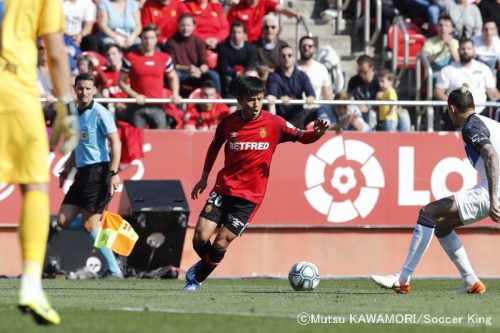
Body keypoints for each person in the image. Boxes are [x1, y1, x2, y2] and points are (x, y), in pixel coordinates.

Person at [183, 77, 329, 291]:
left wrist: (316, 134)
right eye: (251, 100)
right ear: (240, 100)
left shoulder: (274, 123)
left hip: (249, 197)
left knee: (221, 242)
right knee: (199, 238)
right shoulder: (228, 123)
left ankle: (196, 279)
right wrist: (204, 177)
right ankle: (206, 265)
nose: (256, 105)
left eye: (260, 99)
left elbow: (302, 136)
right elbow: (214, 147)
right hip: (224, 188)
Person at [371, 83, 498, 294]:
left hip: (494, 190)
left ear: (452, 109)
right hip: (492, 187)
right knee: (442, 225)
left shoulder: (471, 127)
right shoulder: (486, 122)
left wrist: (494, 198)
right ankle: (471, 282)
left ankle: (402, 279)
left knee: (428, 213)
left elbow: (491, 155)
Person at [0, 0, 79, 325]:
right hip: (13, 91)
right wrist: (66, 109)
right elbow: (57, 53)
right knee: (34, 186)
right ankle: (31, 285)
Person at [56, 73, 123, 279]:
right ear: (75, 90)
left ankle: (115, 270)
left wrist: (113, 172)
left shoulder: (100, 113)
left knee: (88, 225)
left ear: (94, 90)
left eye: (88, 88)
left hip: (99, 173)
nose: (84, 92)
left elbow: (116, 142)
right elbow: (77, 147)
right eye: (80, 88)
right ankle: (97, 226)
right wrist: (67, 169)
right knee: (62, 220)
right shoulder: (73, 114)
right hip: (81, 174)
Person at [119, 24, 181, 129]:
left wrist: (175, 94)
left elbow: (173, 77)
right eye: (145, 38)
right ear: (141, 39)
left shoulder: (164, 58)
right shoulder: (130, 57)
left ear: (156, 39)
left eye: (151, 38)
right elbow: (121, 81)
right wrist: (134, 95)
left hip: (158, 106)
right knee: (138, 139)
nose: (148, 41)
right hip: (136, 106)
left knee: (160, 138)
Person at [435, 38, 499, 115]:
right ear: (458, 50)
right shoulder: (447, 70)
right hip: (456, 114)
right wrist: (455, 105)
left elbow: (492, 91)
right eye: (463, 49)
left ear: (474, 50)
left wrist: (498, 99)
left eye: (469, 48)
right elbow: (438, 92)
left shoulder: (484, 68)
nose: (466, 51)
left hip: (481, 112)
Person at [164, 13, 221, 95]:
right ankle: (175, 101)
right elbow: (172, 65)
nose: (185, 28)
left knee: (213, 75)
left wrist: (200, 70)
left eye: (188, 25)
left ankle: (218, 102)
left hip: (198, 72)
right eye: (183, 25)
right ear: (178, 25)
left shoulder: (199, 41)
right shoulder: (171, 42)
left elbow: (204, 63)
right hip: (181, 73)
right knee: (175, 75)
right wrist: (188, 68)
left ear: (194, 26)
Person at [266, 45, 316, 129]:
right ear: (279, 58)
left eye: (289, 55)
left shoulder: (302, 75)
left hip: (298, 117)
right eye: (283, 56)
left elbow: (310, 93)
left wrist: (311, 97)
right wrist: (280, 98)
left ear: (294, 58)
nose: (286, 58)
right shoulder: (273, 76)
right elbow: (272, 95)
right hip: (280, 118)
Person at [227, 0, 303, 43]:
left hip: (260, 43)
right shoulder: (236, 9)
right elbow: (227, 29)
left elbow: (282, 9)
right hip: (243, 44)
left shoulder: (264, 3)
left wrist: (295, 14)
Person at [422, 15, 459, 80]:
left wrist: (452, 50)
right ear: (436, 27)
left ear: (452, 29)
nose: (443, 28)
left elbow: (459, 63)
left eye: (447, 26)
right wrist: (440, 52)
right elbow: (425, 62)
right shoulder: (429, 42)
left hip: (452, 76)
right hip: (434, 76)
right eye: (440, 25)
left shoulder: (456, 43)